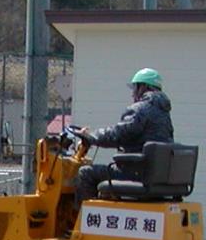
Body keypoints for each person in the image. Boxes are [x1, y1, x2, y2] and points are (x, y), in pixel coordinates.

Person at [73, 68, 174, 205]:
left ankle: (85, 220)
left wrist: (91, 136)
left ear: (142, 87)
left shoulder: (140, 109)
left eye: (134, 88)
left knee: (86, 173)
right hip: (153, 174)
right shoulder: (164, 114)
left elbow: (119, 134)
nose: (133, 94)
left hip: (135, 173)